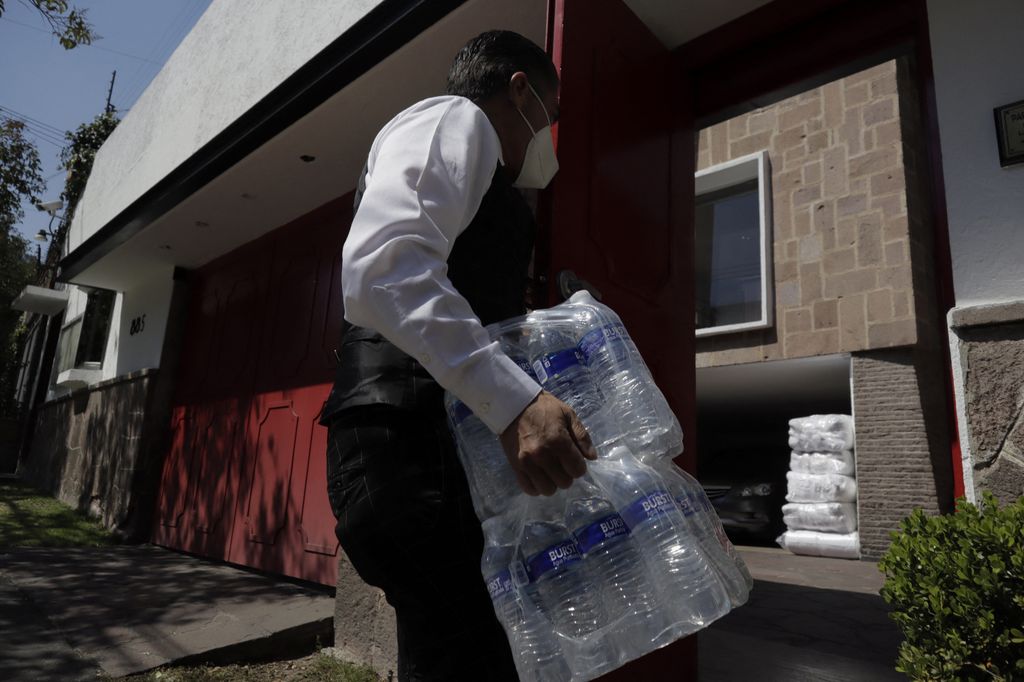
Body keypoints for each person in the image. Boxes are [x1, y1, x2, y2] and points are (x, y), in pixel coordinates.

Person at [321, 30, 598, 681]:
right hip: (405, 440)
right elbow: (383, 271)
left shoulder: (487, 179)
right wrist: (515, 403)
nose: (548, 139)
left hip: (426, 447)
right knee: (475, 654)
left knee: (452, 650)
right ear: (519, 90)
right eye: (549, 119)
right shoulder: (457, 120)